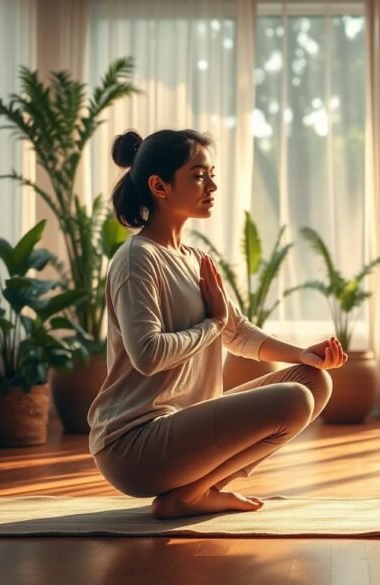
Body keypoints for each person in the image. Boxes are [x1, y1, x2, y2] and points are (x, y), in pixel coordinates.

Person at [87, 129, 348, 520]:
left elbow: (236, 332)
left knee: (314, 381)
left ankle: (195, 491)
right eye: (198, 175)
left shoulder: (194, 258)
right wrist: (213, 323)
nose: (212, 185)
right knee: (293, 400)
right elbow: (148, 355)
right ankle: (190, 494)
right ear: (159, 185)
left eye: (212, 173)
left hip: (179, 432)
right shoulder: (136, 259)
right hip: (133, 445)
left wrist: (303, 354)